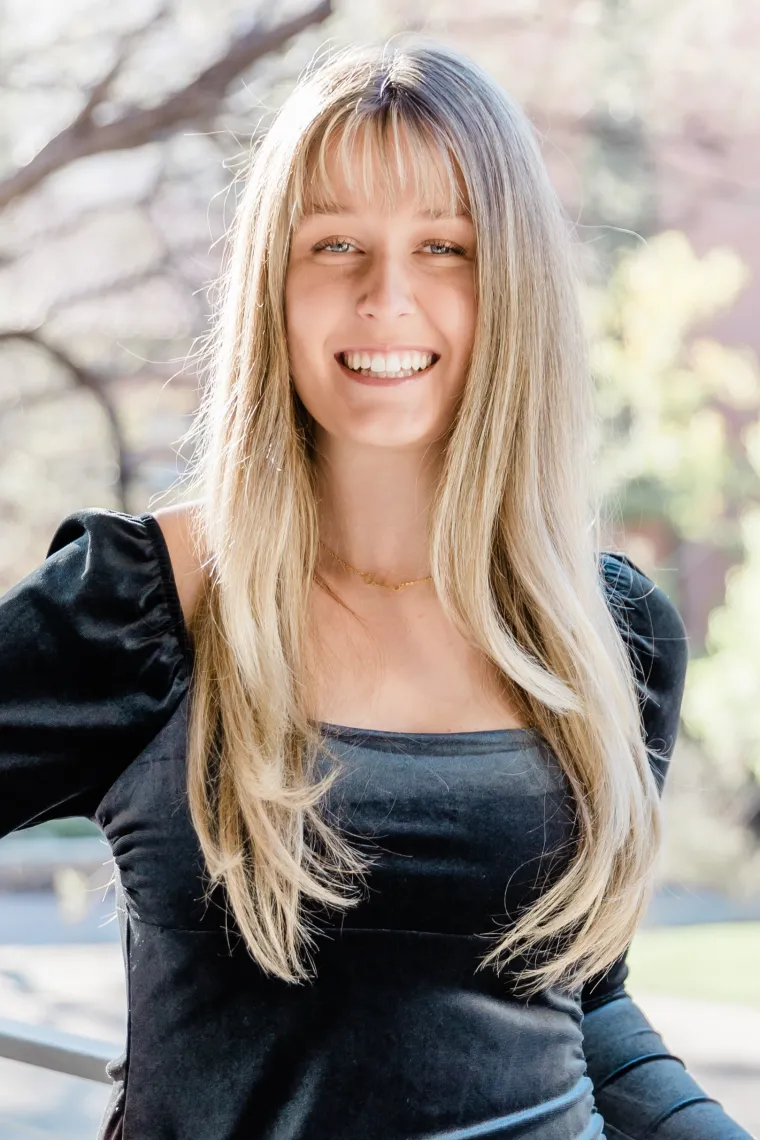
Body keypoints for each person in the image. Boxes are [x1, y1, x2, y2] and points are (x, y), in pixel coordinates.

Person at [0, 38, 752, 1140]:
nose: (385, 296)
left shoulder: (610, 630)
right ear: (274, 280)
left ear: (510, 285)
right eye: (335, 244)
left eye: (443, 246)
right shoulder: (147, 605)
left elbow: (579, 1000)